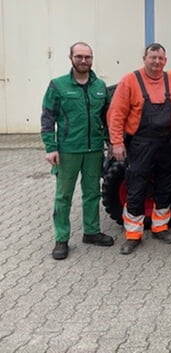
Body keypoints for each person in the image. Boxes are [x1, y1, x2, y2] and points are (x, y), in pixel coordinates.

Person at [107, 43, 171, 254]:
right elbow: (116, 114)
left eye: (160, 58)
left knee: (166, 185)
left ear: (165, 61)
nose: (156, 62)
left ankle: (160, 226)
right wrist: (117, 143)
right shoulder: (130, 81)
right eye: (153, 57)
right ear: (144, 58)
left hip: (166, 144)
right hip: (140, 143)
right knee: (136, 186)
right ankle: (133, 234)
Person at [41, 42, 114, 260]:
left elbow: (106, 118)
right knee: (63, 195)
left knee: (92, 193)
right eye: (80, 56)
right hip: (68, 151)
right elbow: (47, 118)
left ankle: (91, 232)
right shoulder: (58, 85)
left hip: (93, 150)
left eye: (88, 57)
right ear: (71, 58)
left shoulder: (100, 86)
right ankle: (61, 238)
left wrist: (111, 144)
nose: (84, 61)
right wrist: (51, 147)